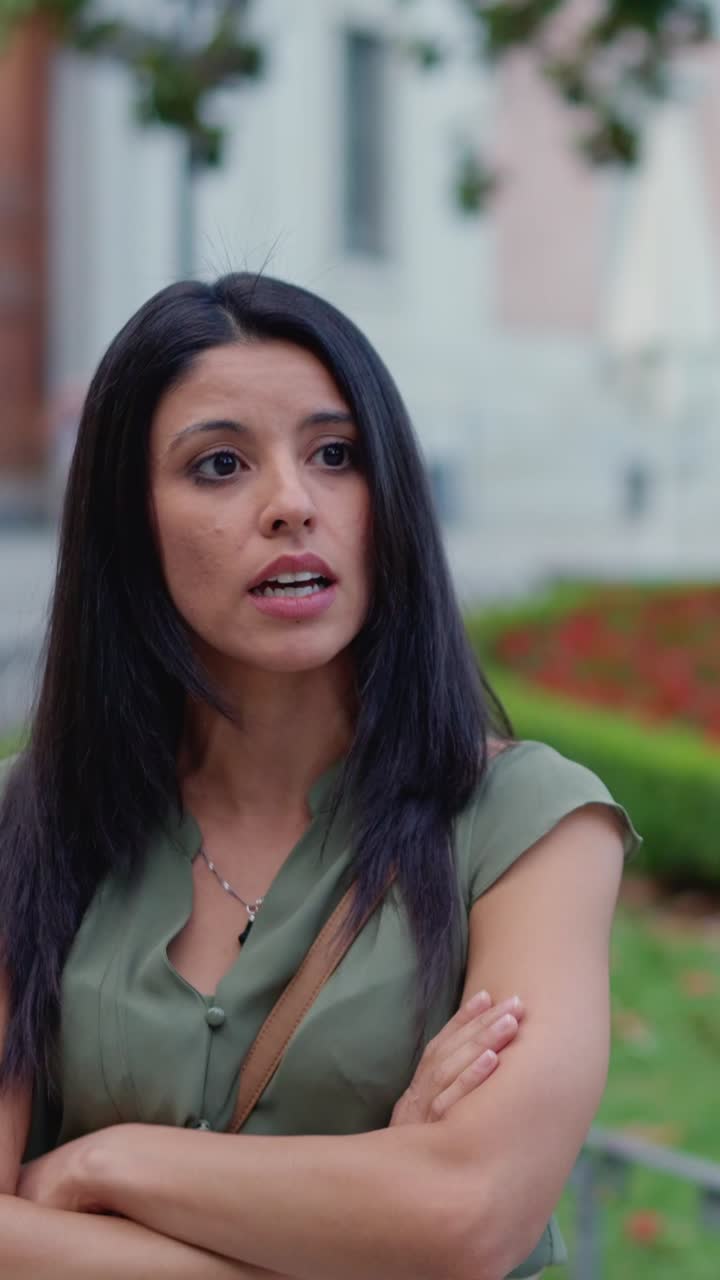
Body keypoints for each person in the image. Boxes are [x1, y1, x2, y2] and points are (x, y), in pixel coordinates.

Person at [0, 273, 640, 1280]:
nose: (292, 503)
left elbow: (468, 1214)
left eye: (336, 455)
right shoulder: (31, 818)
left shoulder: (529, 824)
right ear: (130, 521)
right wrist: (360, 1212)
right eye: (219, 464)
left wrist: (100, 1164)